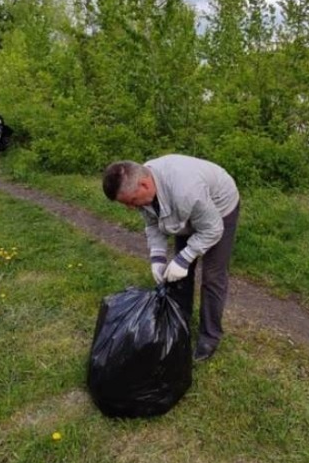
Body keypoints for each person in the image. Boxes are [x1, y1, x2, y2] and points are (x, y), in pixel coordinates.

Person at [102, 155, 240, 362]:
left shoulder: (186, 190)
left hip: (219, 208)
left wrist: (185, 258)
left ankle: (209, 336)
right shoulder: (142, 185)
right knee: (179, 274)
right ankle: (180, 320)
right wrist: (157, 258)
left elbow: (212, 229)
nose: (131, 208)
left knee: (213, 276)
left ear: (145, 185)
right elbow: (153, 224)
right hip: (185, 208)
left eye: (131, 201)